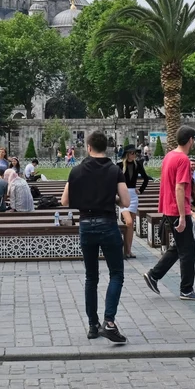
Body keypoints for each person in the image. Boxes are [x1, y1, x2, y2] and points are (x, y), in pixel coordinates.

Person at [62, 130, 131, 344]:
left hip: (85, 225)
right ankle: (109, 322)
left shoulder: (77, 170)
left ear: (88, 147)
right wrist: (114, 200)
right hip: (107, 223)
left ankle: (92, 325)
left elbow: (65, 201)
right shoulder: (114, 170)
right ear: (107, 147)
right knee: (116, 273)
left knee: (91, 277)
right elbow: (126, 201)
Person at [142, 125, 195, 301]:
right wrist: (184, 216)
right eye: (194, 139)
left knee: (179, 247)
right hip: (178, 209)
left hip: (168, 208)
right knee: (189, 252)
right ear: (190, 140)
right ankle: (186, 289)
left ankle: (154, 275)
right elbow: (179, 187)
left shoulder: (169, 155)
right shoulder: (183, 160)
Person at [119, 145, 152, 259]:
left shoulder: (137, 165)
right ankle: (124, 248)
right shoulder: (119, 165)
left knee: (130, 225)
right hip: (123, 194)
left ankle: (128, 250)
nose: (134, 155)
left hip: (133, 194)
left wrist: (141, 190)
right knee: (128, 222)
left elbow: (146, 178)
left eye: (135, 153)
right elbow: (114, 179)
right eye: (132, 153)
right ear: (127, 154)